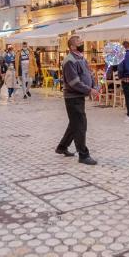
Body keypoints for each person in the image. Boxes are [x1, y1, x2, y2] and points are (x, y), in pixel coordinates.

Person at [56, 35, 98, 164]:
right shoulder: (69, 61)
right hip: (72, 97)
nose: (82, 43)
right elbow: (74, 82)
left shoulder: (81, 58)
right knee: (80, 125)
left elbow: (89, 73)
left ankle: (62, 147)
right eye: (79, 42)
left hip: (79, 96)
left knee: (74, 123)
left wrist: (94, 85)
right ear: (72, 46)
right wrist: (89, 90)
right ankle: (83, 155)